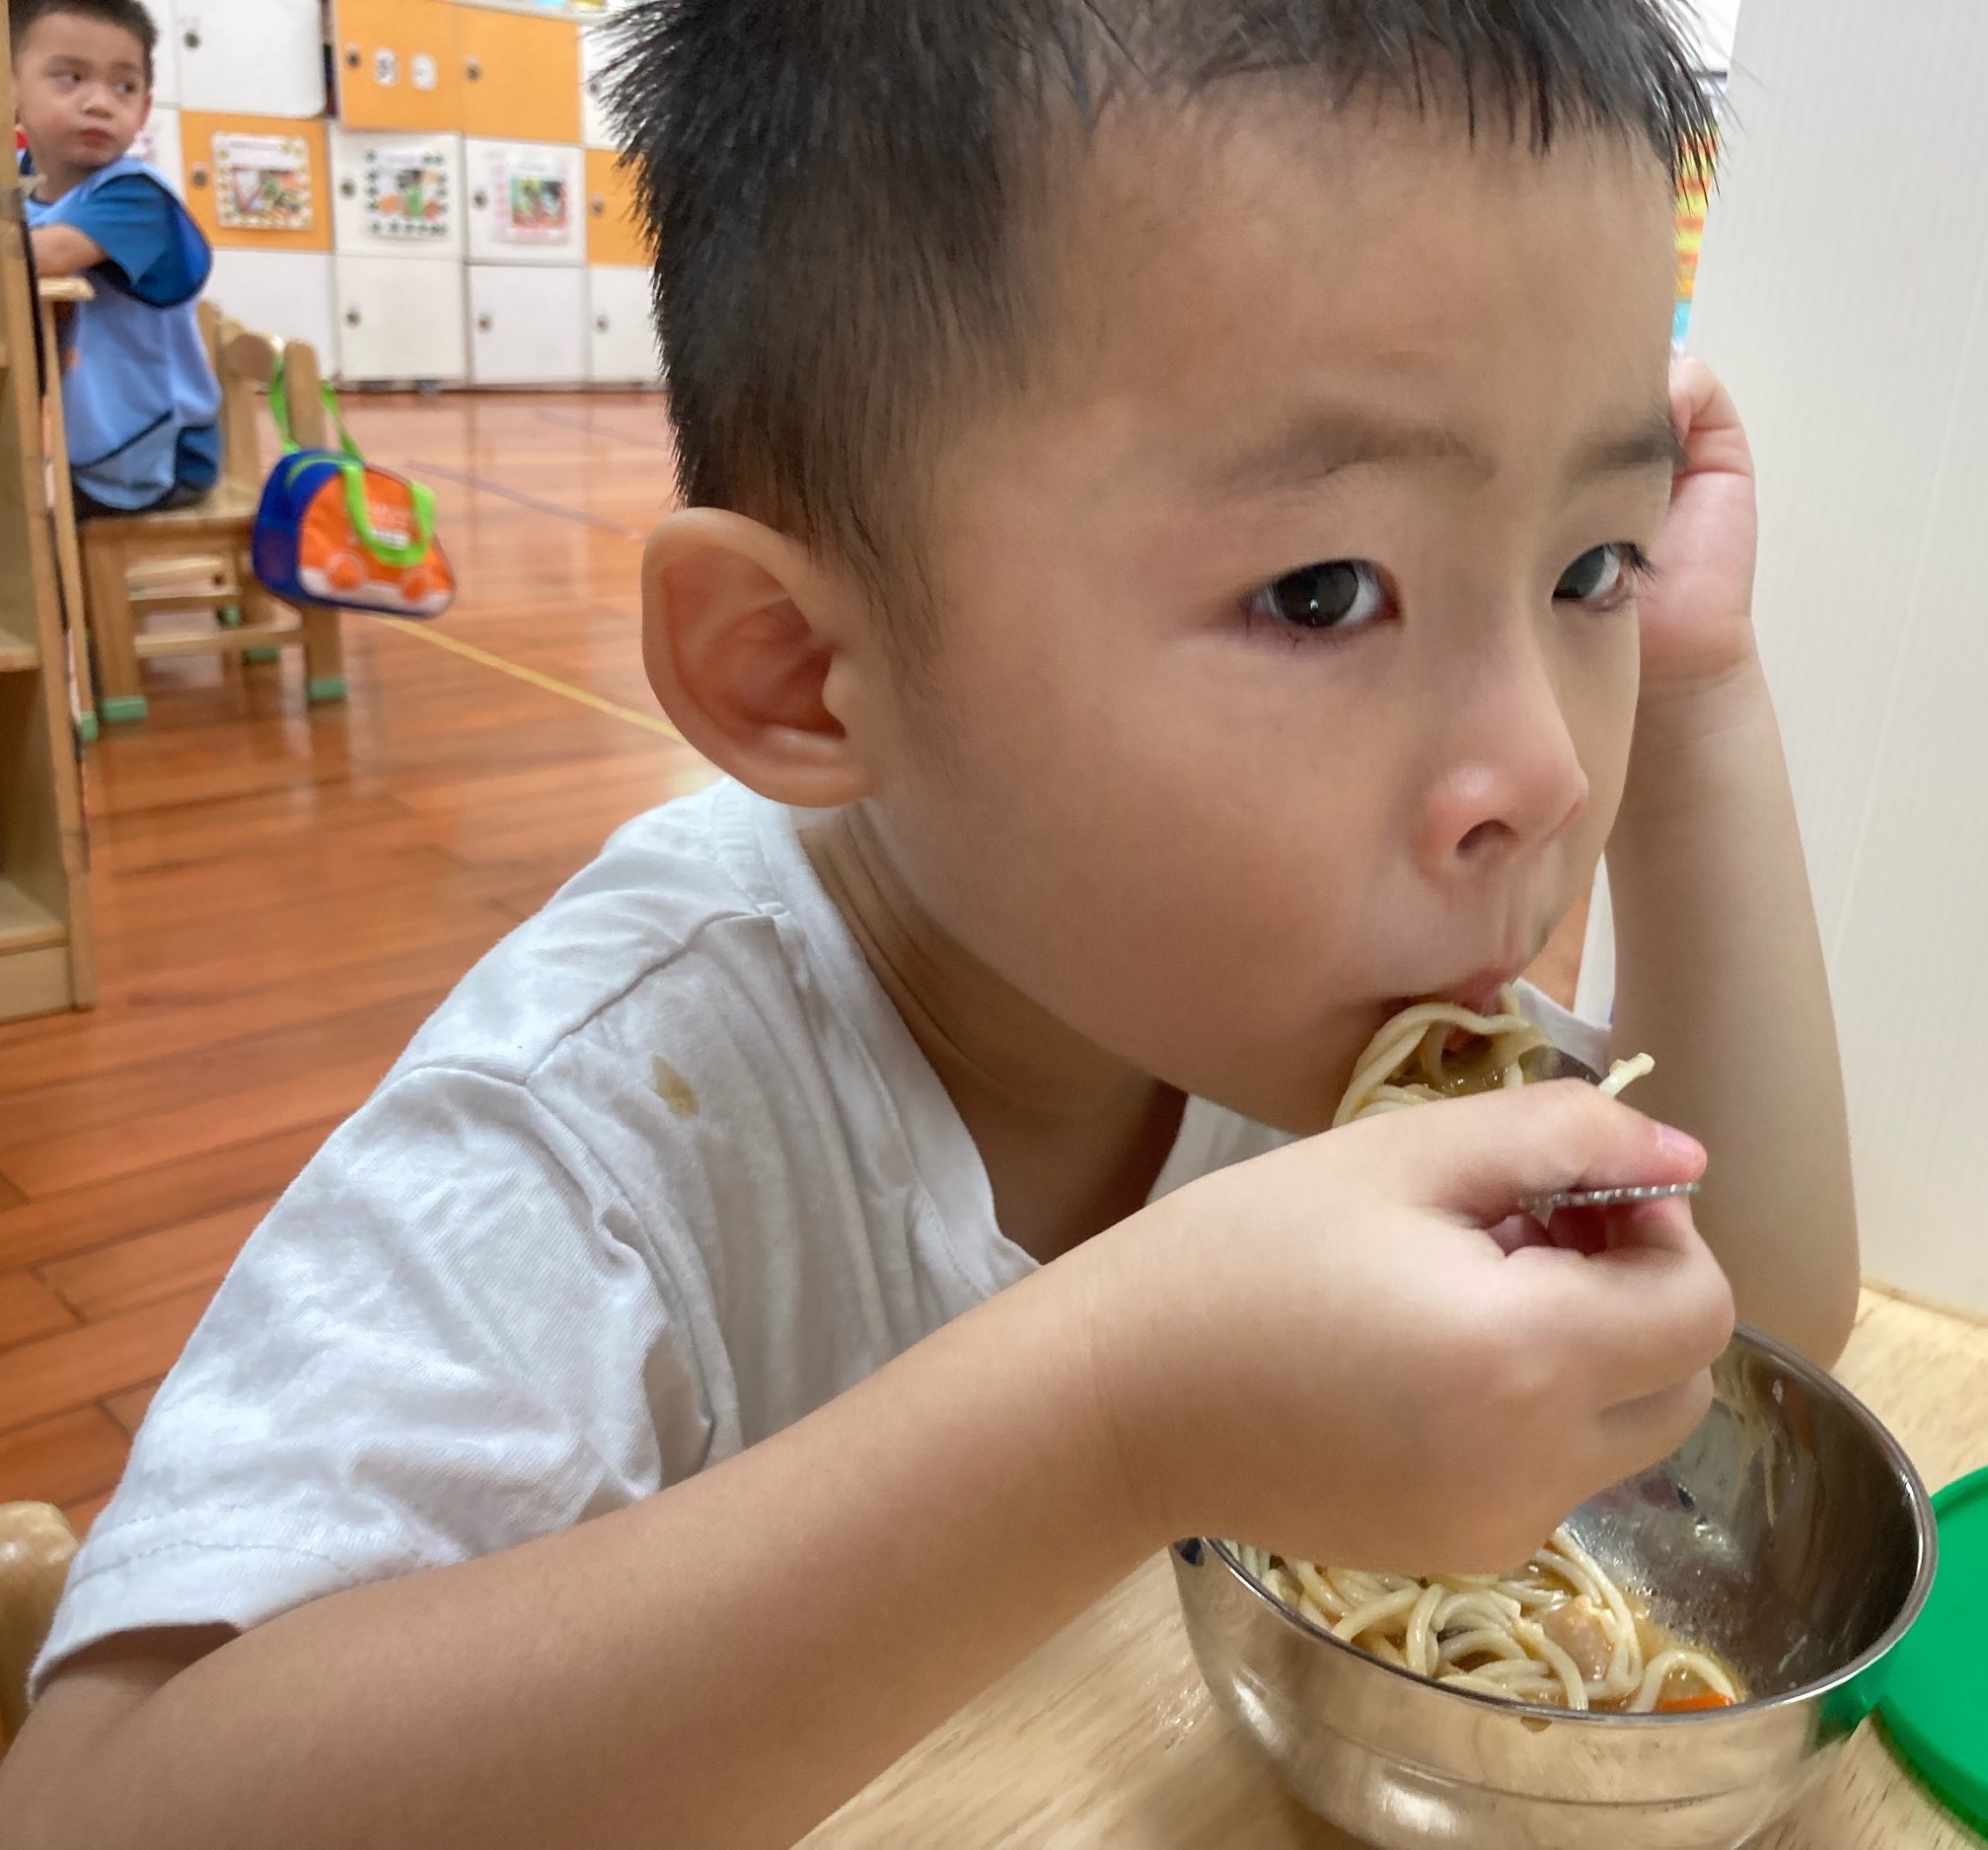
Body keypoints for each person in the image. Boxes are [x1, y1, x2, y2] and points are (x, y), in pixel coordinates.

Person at [0, 4, 1859, 1844]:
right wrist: (1122, 1413)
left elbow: (1742, 1342)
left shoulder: (1325, 999)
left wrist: (1698, 694)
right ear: (798, 670)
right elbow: (95, 1807)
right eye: (1320, 591)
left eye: (1590, 566)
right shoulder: (600, 1117)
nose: (1541, 768)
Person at [10, 0, 218, 515]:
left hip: (152, 453)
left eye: (123, 86)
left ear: (143, 110)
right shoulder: (17, 178)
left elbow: (39, 255)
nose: (100, 103)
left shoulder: (135, 194)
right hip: (75, 437)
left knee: (17, 517)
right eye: (70, 78)